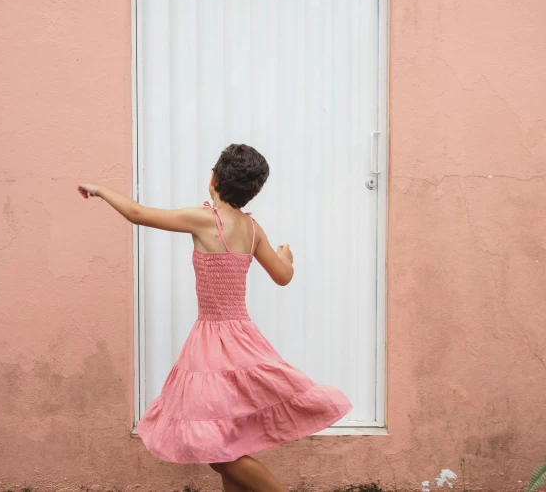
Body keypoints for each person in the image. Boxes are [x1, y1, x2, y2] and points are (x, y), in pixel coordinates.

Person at [78, 144, 352, 492]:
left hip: (214, 342)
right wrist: (288, 257)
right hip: (242, 337)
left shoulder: (206, 218)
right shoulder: (254, 230)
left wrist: (100, 189)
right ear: (253, 192)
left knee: (216, 449)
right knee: (226, 437)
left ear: (213, 179)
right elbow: (283, 276)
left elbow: (137, 213)